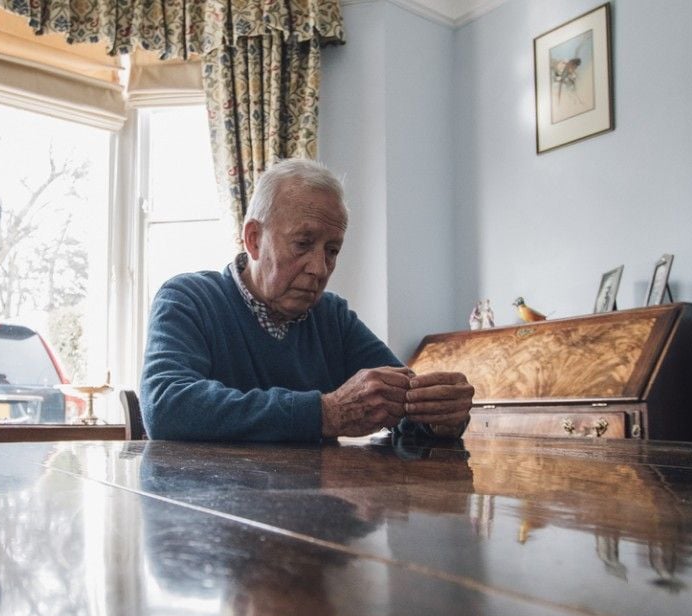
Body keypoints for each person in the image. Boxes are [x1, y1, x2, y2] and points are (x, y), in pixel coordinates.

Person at [140, 158, 475, 441]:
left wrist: (441, 417)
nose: (319, 268)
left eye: (332, 251)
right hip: (209, 512)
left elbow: (401, 406)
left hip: (313, 513)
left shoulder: (333, 317)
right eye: (302, 243)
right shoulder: (188, 299)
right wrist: (323, 413)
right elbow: (166, 407)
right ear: (254, 240)